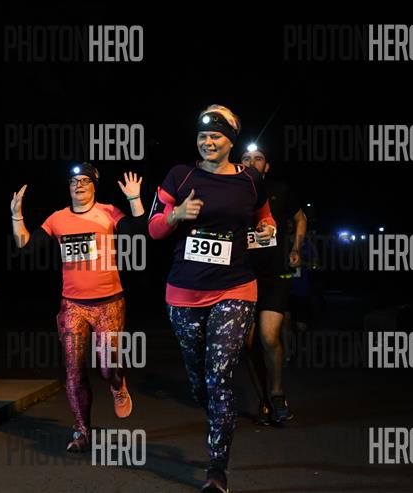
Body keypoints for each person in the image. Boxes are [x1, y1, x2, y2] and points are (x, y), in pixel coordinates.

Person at [148, 105, 276, 493]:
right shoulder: (180, 175)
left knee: (220, 376)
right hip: (184, 292)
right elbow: (154, 228)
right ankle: (211, 406)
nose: (207, 142)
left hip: (235, 288)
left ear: (231, 141)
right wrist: (177, 214)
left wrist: (266, 230)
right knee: (200, 380)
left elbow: (265, 218)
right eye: (202, 136)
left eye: (216, 136)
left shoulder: (250, 180)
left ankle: (217, 469)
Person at [10, 163, 145, 452]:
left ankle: (117, 384)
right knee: (74, 371)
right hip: (72, 305)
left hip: (109, 303)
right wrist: (16, 215)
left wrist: (134, 200)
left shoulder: (108, 212)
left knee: (107, 367)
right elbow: (26, 246)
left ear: (94, 186)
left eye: (85, 180)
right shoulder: (58, 218)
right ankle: (82, 431)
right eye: (74, 181)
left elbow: (139, 232)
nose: (79, 185)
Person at [242, 146, 306, 425]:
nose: (252, 162)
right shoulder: (232, 191)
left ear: (266, 166)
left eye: (258, 158)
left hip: (274, 276)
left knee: (269, 337)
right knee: (248, 344)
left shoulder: (280, 189)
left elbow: (300, 219)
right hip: (242, 277)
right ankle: (264, 401)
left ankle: (277, 394)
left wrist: (296, 248)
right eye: (246, 158)